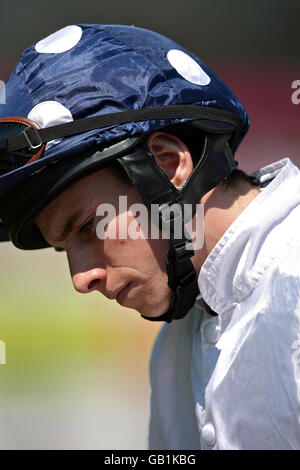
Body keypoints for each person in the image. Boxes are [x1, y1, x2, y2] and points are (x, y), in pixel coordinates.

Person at [0, 24, 300, 450]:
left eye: (87, 226)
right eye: (62, 248)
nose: (80, 280)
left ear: (166, 163)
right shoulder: (173, 352)